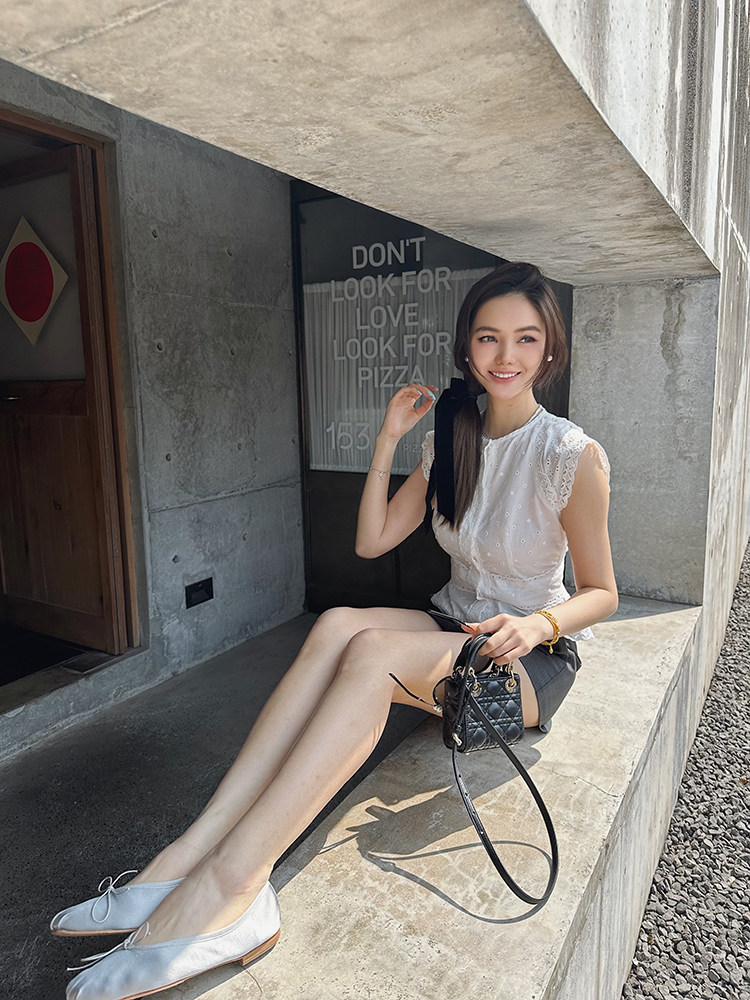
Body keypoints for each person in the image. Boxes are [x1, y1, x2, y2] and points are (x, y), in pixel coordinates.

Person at [56, 262, 618, 1000]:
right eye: (488, 337)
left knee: (374, 653)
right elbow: (373, 541)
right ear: (466, 346)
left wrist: (538, 621)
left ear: (549, 350)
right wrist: (388, 438)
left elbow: (603, 593)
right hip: (453, 623)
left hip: (529, 658)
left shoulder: (570, 455)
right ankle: (192, 851)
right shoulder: (453, 439)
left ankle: (235, 883)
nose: (505, 356)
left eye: (525, 339)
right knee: (338, 624)